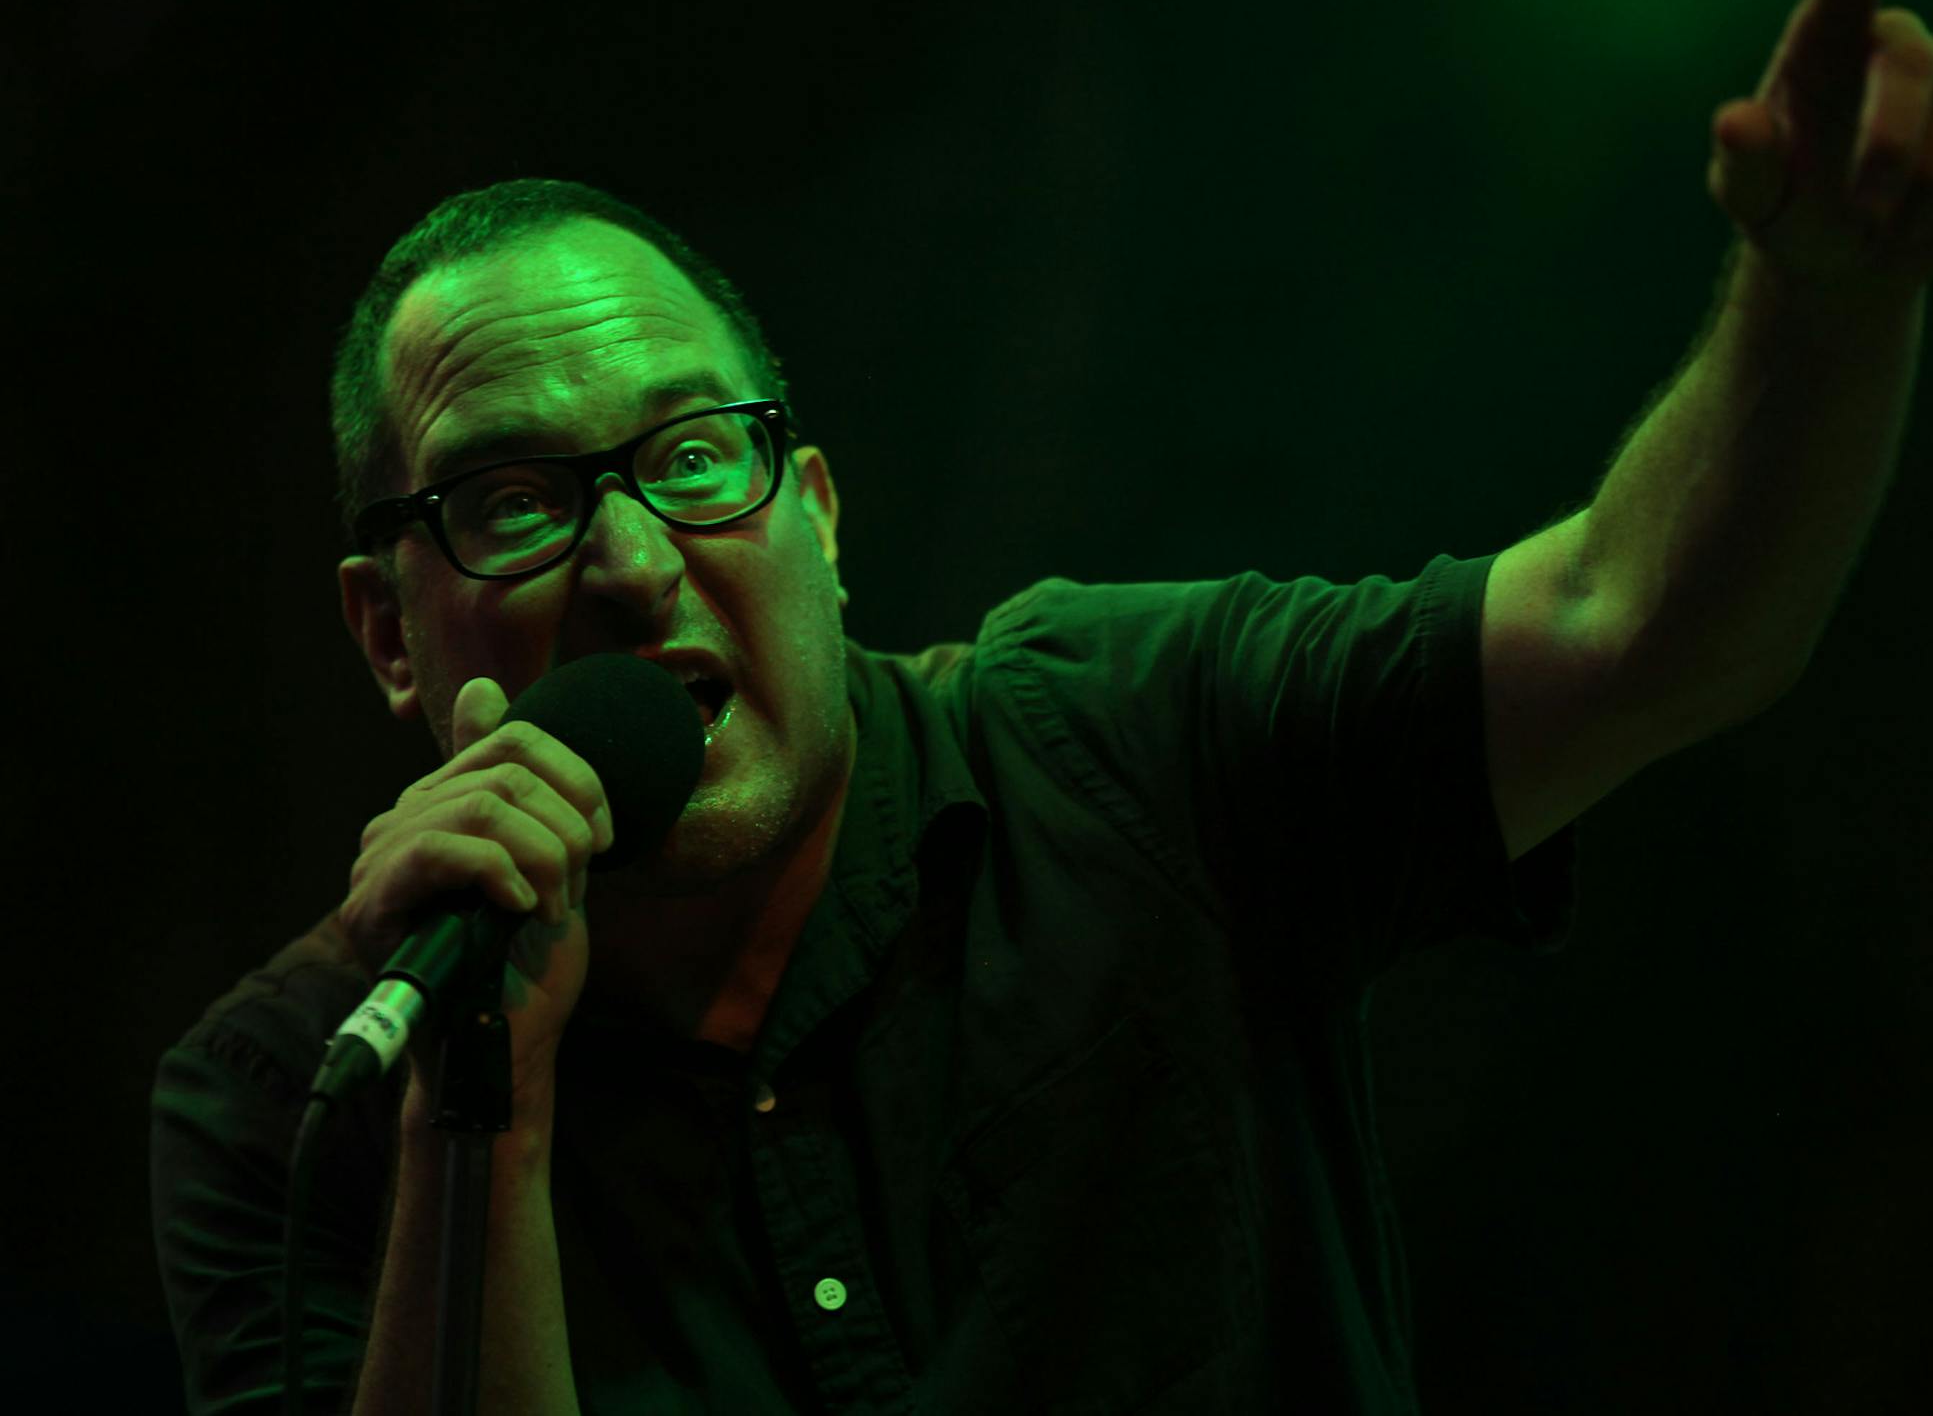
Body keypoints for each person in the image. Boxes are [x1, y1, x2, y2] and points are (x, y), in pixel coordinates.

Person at [148, 175, 1585, 1413]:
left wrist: (1761, 276)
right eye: (515, 502)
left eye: (693, 456)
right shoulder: (292, 1091)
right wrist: (481, 1108)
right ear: (390, 636)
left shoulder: (1123, 744)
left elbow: (1613, 617)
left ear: (819, 519)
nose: (633, 565)